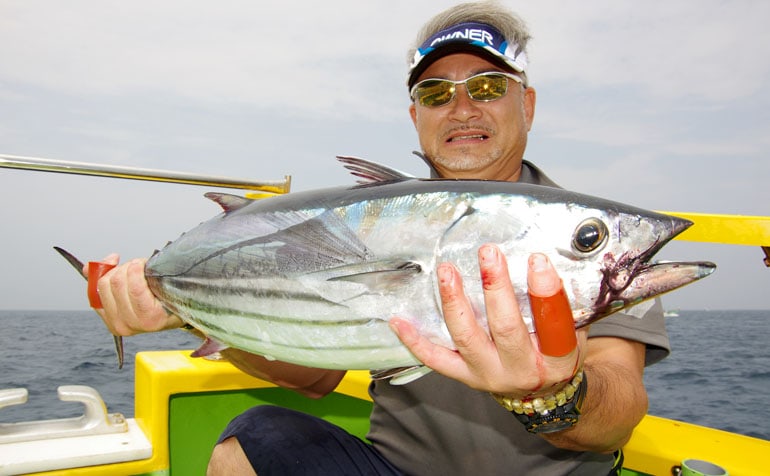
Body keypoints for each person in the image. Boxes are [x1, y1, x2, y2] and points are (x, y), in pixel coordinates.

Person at [92, 2, 669, 474]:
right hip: (391, 471)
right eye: (436, 93)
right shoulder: (372, 218)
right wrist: (187, 311)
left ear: (528, 103)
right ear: (416, 115)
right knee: (252, 440)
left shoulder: (574, 234)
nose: (462, 108)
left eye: (489, 86)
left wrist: (553, 395)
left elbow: (619, 409)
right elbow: (313, 376)